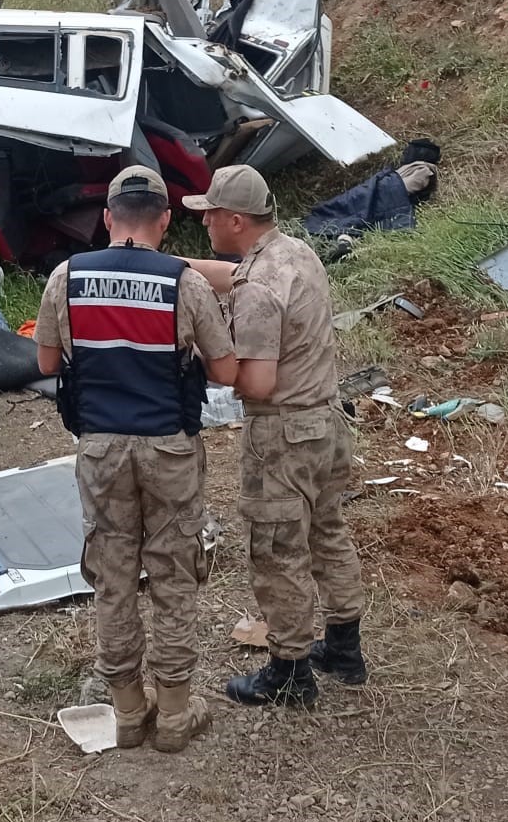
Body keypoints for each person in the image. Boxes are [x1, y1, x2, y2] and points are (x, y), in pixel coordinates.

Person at [34, 167, 238, 753]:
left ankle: (127, 711)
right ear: (166, 221)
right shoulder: (185, 282)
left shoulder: (66, 277)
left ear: (106, 218)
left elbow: (48, 364)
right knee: (174, 576)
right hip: (169, 447)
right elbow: (224, 372)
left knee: (113, 577)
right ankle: (174, 713)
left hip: (99, 447)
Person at [183, 165, 368, 708]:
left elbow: (256, 379)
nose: (205, 221)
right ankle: (343, 648)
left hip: (283, 434)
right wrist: (181, 270)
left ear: (234, 220)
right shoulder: (294, 253)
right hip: (326, 423)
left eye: (210, 214)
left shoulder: (258, 291)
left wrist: (209, 358)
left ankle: (289, 672)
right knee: (327, 532)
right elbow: (237, 277)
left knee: (278, 552)